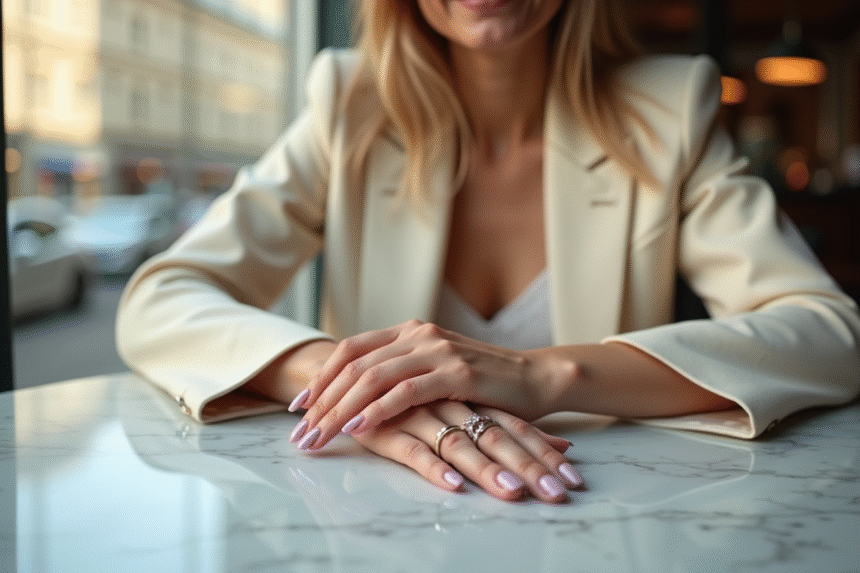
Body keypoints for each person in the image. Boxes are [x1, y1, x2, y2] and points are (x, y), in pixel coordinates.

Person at [116, 0, 860, 504]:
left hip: (597, 516)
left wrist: (547, 373)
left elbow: (830, 333)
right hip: (376, 524)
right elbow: (160, 297)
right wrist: (348, 380)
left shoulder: (668, 109)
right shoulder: (349, 103)